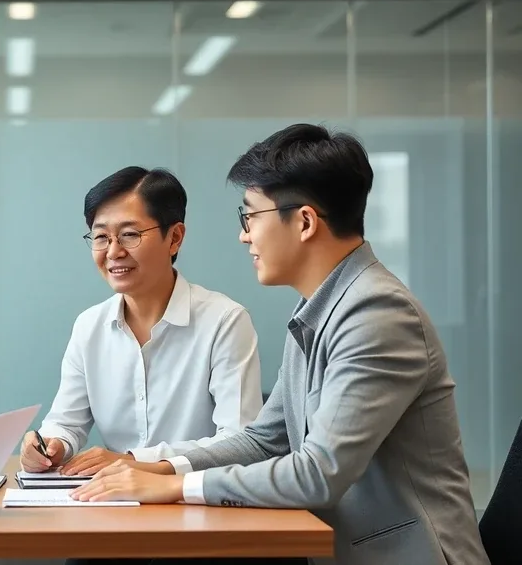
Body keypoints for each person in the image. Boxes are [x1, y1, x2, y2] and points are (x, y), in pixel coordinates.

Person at [70, 125, 490, 565]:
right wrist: (154, 467)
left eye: (250, 216)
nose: (244, 235)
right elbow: (263, 441)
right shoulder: (318, 308)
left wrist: (175, 486)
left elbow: (318, 474)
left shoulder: (378, 313)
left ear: (305, 221)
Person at [20, 167, 263, 477]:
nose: (113, 252)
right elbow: (67, 423)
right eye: (101, 237)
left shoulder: (225, 321)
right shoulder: (89, 326)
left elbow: (240, 441)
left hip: (197, 501)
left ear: (174, 238)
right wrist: (50, 445)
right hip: (115, 502)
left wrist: (137, 460)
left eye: (129, 235)